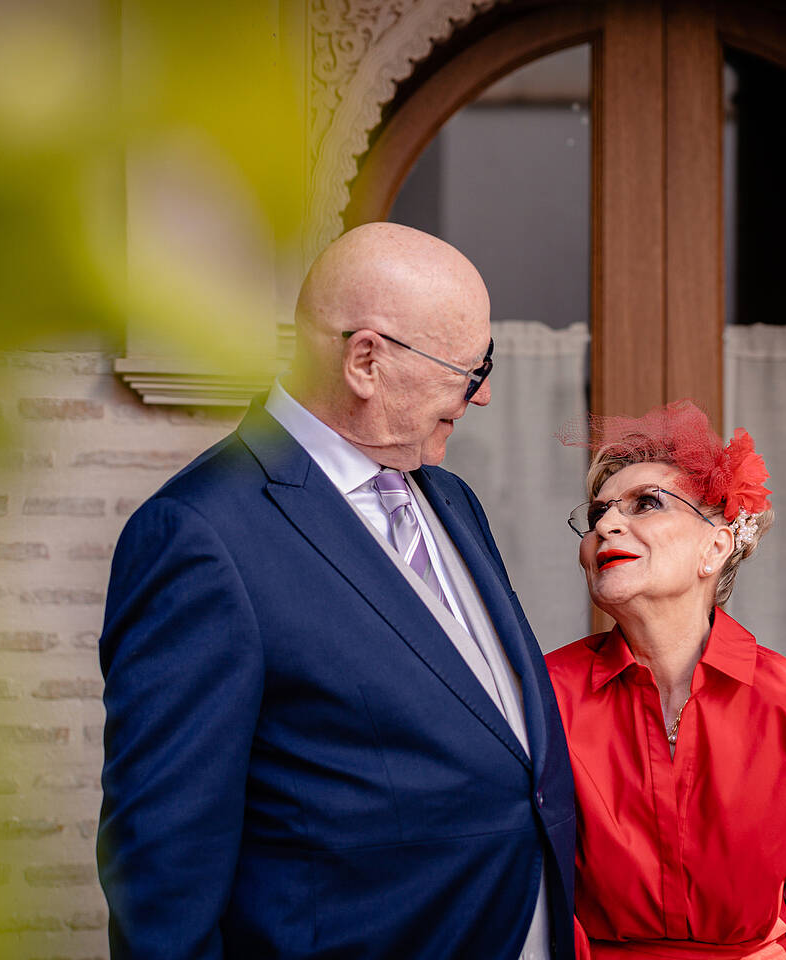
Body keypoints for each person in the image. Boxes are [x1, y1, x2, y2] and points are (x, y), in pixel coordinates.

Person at [97, 222, 576, 960]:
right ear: (365, 361)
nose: (480, 397)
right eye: (469, 368)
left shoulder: (450, 499)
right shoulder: (202, 535)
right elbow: (164, 865)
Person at [548, 400, 786, 959]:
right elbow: (522, 885)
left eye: (646, 504)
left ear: (716, 546)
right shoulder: (544, 695)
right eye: (598, 512)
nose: (605, 525)